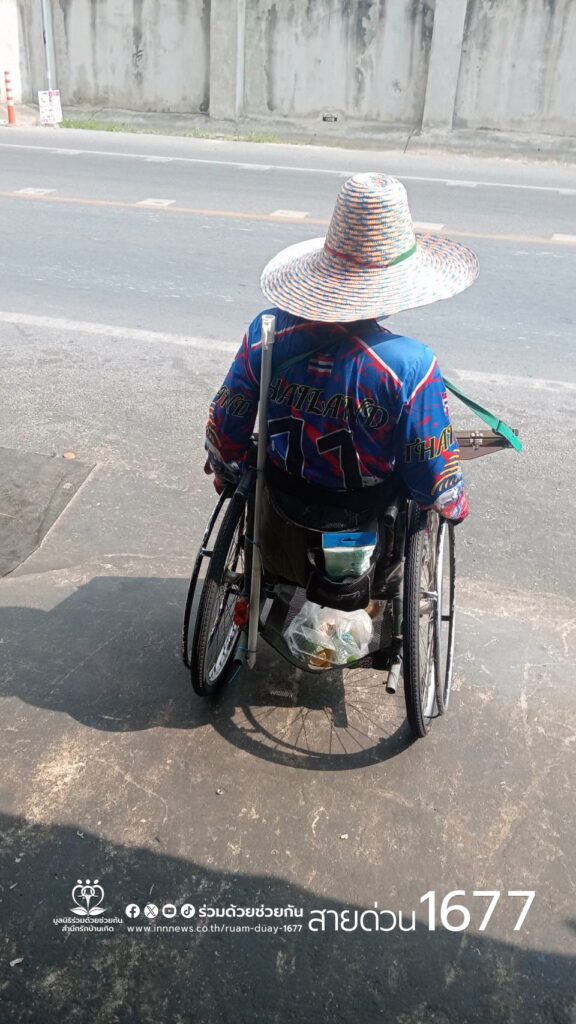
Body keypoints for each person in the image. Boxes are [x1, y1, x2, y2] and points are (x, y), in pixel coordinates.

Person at [204, 172, 479, 588]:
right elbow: (431, 473)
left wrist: (226, 469)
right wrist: (453, 502)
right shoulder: (410, 365)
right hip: (364, 529)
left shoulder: (267, 333)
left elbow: (229, 421)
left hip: (280, 513)